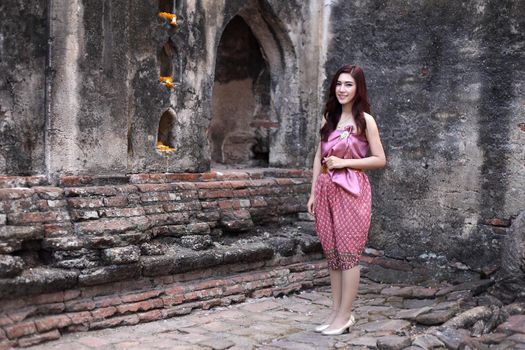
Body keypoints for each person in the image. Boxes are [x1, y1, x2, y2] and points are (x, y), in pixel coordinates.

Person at [307, 64, 386, 335]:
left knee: (348, 255)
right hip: (326, 189)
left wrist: (345, 162)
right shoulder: (328, 117)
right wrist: (313, 191)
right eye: (339, 84)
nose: (342, 89)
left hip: (352, 190)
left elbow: (380, 159)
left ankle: (346, 315)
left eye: (348, 84)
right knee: (332, 256)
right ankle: (335, 313)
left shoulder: (366, 121)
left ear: (358, 88)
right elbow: (319, 156)